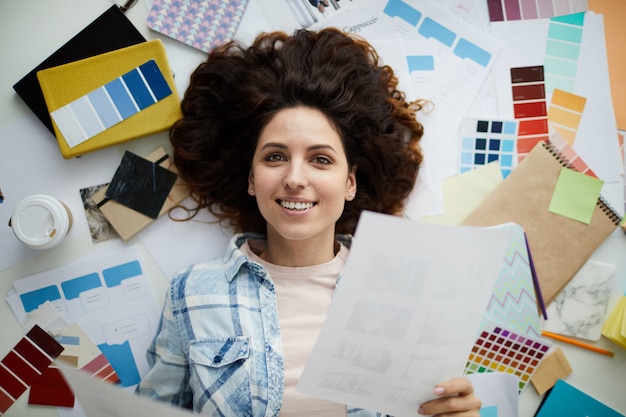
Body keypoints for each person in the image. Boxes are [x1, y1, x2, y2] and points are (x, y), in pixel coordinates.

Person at [136, 28, 482, 417]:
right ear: (251, 179)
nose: (295, 178)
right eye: (274, 157)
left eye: (320, 159)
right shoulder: (192, 292)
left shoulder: (408, 294)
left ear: (349, 182)